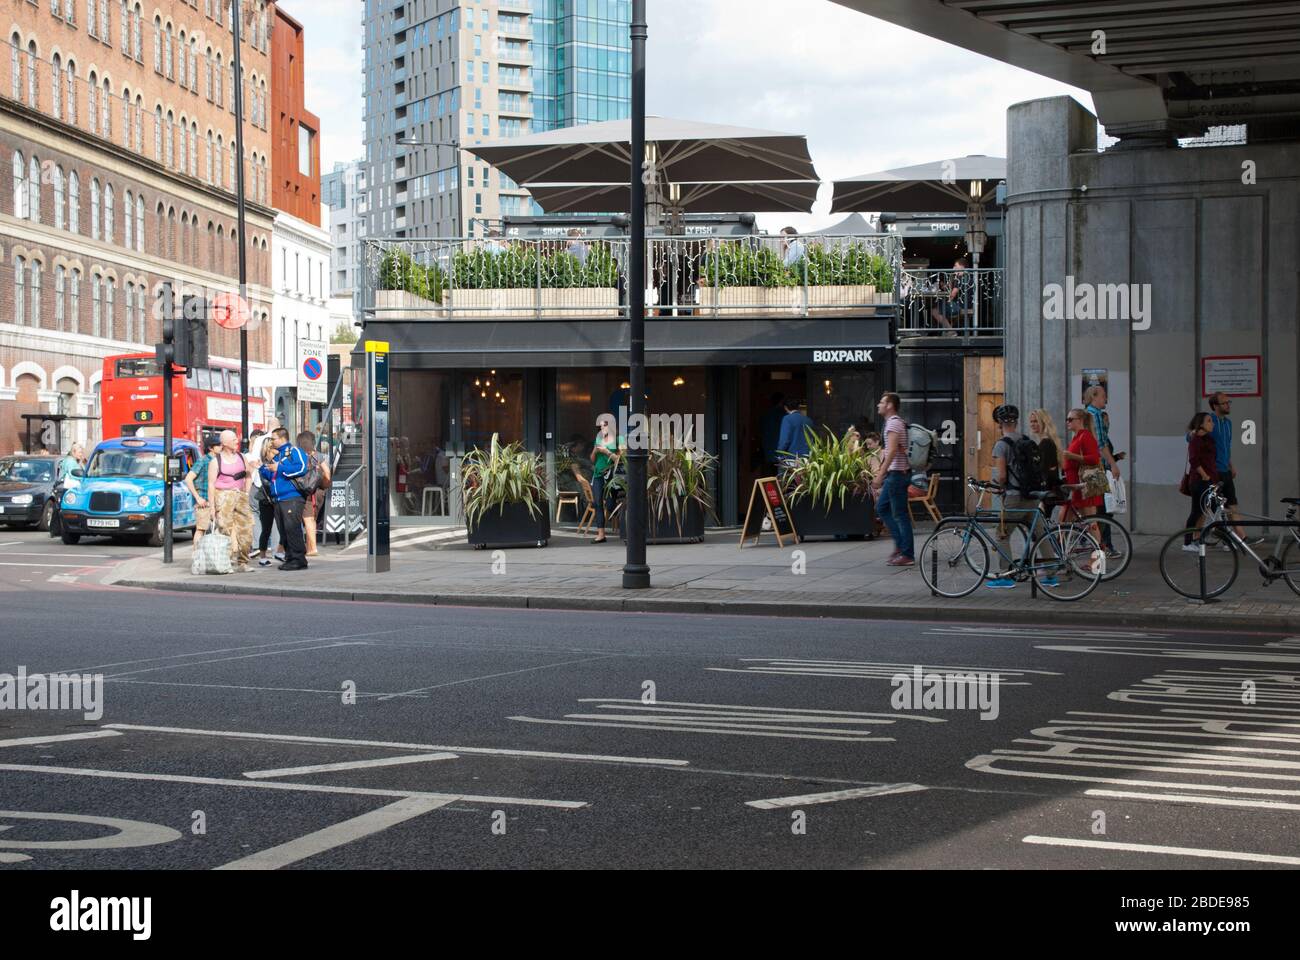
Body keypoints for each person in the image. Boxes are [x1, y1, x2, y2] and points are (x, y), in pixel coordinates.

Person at [1203, 391, 1260, 544]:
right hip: (1213, 472)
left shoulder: (1228, 423)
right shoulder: (1208, 420)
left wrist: (1231, 466)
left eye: (1229, 402)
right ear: (1215, 406)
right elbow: (1191, 436)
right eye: (1225, 403)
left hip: (1225, 471)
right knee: (1215, 508)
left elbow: (1226, 448)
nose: (1228, 405)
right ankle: (1201, 537)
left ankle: (1241, 539)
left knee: (1232, 505)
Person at [872, 392, 913, 566]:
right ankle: (900, 546)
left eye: (882, 402)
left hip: (897, 474)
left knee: (900, 514)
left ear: (889, 405)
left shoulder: (894, 424)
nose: (878, 405)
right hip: (896, 474)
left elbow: (892, 452)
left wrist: (880, 474)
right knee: (882, 508)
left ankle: (907, 554)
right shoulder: (893, 423)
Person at [260, 427, 310, 570]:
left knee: (292, 528)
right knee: (284, 530)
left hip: (292, 497)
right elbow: (271, 476)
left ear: (282, 438)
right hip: (278, 499)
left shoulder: (294, 451)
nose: (272, 441)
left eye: (273, 438)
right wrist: (264, 469)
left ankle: (298, 559)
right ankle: (290, 557)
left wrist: (279, 468)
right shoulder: (278, 456)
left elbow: (301, 468)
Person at [207, 429, 254, 573]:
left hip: (240, 495)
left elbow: (248, 474)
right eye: (234, 440)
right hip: (223, 496)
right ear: (225, 443)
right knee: (224, 530)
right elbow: (211, 484)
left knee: (246, 529)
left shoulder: (241, 457)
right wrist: (212, 507)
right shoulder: (216, 462)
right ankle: (225, 562)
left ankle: (243, 562)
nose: (237, 441)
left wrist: (246, 491)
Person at [1181, 412, 1219, 551]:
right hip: (1199, 481)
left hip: (1211, 480)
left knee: (1212, 508)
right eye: (1209, 421)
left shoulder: (1209, 439)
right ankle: (1187, 542)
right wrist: (1204, 475)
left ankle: (1200, 537)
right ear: (1201, 424)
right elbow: (1194, 460)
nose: (1212, 423)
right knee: (1196, 512)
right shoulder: (1195, 440)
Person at [990, 405, 1036, 515]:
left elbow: (1002, 476)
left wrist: (998, 487)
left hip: (1014, 497)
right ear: (1016, 422)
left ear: (1000, 423)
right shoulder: (1026, 439)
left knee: (1002, 532)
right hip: (1031, 494)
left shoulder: (1001, 445)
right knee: (1040, 532)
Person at [1061, 408, 1103, 521]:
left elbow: (1095, 459)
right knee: (1065, 521)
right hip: (1077, 487)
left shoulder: (1085, 436)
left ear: (1080, 421)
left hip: (1086, 485)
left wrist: (1071, 456)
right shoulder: (1077, 437)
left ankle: (1095, 540)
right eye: (1067, 419)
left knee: (1090, 523)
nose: (1067, 422)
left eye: (1070, 419)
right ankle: (1067, 538)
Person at [589, 413, 623, 545]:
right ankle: (601, 534)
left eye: (604, 426)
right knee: (598, 503)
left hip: (612, 476)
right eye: (601, 427)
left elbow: (621, 459)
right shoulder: (598, 439)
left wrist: (607, 452)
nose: (602, 429)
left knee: (610, 505)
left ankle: (623, 525)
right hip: (598, 474)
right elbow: (592, 460)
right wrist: (595, 452)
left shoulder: (619, 439)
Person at [297, 430, 332, 558]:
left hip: (302, 490)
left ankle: (310, 547)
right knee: (312, 519)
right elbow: (327, 473)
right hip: (317, 491)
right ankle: (311, 547)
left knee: (305, 519)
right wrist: (324, 485)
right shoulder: (318, 456)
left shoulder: (299, 455)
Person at [184, 434, 222, 549]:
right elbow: (188, 479)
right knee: (201, 529)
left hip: (217, 501)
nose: (221, 447)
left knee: (219, 529)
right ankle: (197, 556)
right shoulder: (203, 461)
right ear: (211, 448)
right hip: (204, 502)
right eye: (218, 445)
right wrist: (198, 498)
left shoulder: (219, 460)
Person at [931, 257, 968, 333]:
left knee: (934, 311)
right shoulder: (961, 277)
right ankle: (944, 331)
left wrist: (948, 300)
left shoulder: (962, 278)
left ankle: (950, 331)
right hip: (962, 304)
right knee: (938, 306)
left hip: (960, 305)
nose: (953, 268)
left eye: (955, 266)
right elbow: (949, 289)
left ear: (962, 267)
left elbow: (953, 294)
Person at [776, 399, 815, 465]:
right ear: (798, 407)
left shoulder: (787, 419)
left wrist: (780, 454)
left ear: (785, 407)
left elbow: (784, 440)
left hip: (792, 458)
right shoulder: (808, 420)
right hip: (807, 458)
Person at [759, 393, 786, 474]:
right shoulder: (782, 414)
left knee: (769, 476)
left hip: (767, 450)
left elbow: (762, 431)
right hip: (779, 451)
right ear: (781, 402)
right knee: (780, 476)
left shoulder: (765, 414)